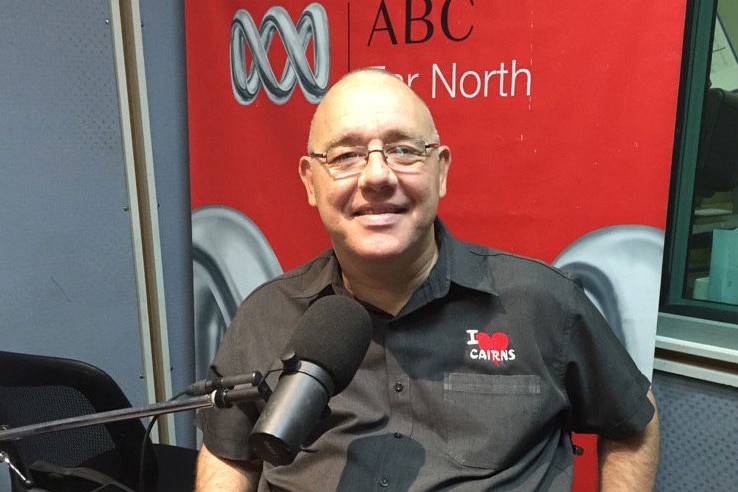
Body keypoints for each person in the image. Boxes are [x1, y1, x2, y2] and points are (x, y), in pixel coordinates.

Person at [195, 68, 660, 491]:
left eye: (402, 150)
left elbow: (633, 420)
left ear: (440, 170)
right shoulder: (264, 315)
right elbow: (228, 455)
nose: (376, 176)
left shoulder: (541, 303)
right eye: (346, 155)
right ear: (311, 182)